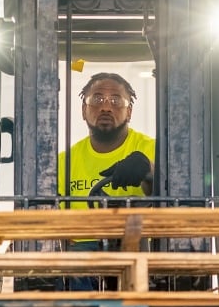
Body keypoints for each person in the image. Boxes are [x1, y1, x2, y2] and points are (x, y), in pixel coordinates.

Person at [57, 72, 155, 207]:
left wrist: (150, 171)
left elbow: (176, 198)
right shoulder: (62, 164)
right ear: (84, 110)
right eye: (97, 100)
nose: (106, 108)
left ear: (129, 112)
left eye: (116, 101)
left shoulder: (155, 150)